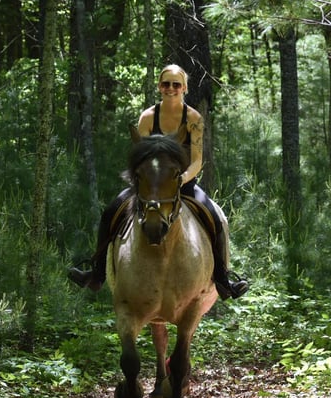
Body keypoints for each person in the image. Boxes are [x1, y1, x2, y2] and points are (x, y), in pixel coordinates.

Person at [68, 64, 248, 300]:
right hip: (150, 184)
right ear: (159, 87)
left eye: (176, 84)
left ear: (184, 88)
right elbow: (140, 158)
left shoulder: (193, 118)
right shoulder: (148, 117)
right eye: (166, 84)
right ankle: (97, 273)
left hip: (182, 183)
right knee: (111, 211)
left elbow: (197, 161)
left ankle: (223, 280)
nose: (170, 89)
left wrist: (181, 179)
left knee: (214, 216)